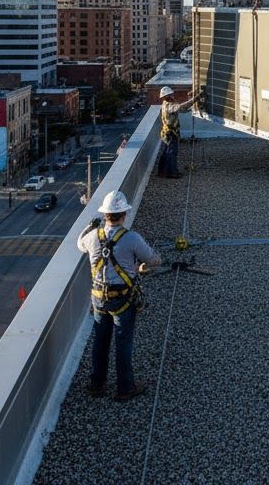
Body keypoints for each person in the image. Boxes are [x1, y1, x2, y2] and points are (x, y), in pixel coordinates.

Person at [77, 190, 161, 400]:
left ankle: (97, 384)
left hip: (99, 297)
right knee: (123, 342)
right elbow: (152, 260)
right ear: (123, 214)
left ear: (105, 215)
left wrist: (90, 226)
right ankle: (125, 387)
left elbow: (79, 244)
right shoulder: (131, 238)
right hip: (122, 299)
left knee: (100, 340)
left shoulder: (93, 237)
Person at [157, 85, 200, 178]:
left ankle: (162, 171)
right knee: (172, 153)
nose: (172, 96)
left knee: (166, 153)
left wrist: (191, 109)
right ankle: (172, 173)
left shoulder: (166, 104)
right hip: (170, 133)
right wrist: (195, 99)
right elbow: (181, 108)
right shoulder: (169, 106)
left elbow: (181, 109)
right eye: (170, 95)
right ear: (166, 96)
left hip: (166, 133)